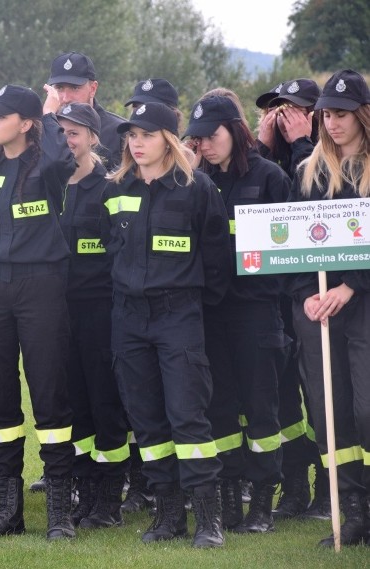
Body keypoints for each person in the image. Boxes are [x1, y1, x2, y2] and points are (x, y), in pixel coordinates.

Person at [101, 102, 232, 548]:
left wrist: (193, 306)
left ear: (169, 139)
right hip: (129, 318)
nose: (136, 144)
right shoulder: (115, 189)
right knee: (148, 422)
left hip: (179, 315)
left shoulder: (197, 189)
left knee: (187, 418)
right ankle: (168, 516)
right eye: (131, 136)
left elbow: (217, 260)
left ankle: (208, 520)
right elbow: (107, 252)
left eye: (147, 134)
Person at [0, 84, 76, 540]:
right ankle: (7, 510)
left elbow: (61, 160)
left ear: (26, 123)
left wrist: (49, 116)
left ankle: (59, 513)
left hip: (40, 285)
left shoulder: (48, 167)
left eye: (2, 115)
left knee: (49, 394)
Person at [186, 94, 292, 533]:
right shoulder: (195, 180)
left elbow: (284, 251)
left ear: (235, 129)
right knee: (220, 408)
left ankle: (263, 502)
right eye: (198, 139)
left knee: (260, 408)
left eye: (213, 136)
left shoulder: (269, 178)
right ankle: (230, 496)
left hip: (255, 310)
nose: (206, 145)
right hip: (211, 310)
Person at [288, 69, 370, 547]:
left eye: (341, 115)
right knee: (330, 411)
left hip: (362, 304)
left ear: (361, 115)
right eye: (326, 116)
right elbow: (296, 245)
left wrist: (351, 287)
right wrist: (306, 292)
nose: (332, 124)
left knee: (365, 409)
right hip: (319, 309)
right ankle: (353, 511)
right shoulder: (311, 171)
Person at [254, 79, 330, 522]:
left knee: (321, 395)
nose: (283, 118)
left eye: (294, 110)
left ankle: (330, 487)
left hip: (315, 294)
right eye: (275, 110)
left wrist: (304, 141)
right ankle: (295, 485)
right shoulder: (267, 161)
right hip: (272, 297)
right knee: (281, 399)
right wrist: (262, 146)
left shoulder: (321, 153)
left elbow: (317, 193)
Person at [55, 102, 130, 529]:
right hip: (56, 311)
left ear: (94, 138)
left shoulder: (109, 189)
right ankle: (84, 492)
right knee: (73, 407)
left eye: (75, 133)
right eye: (61, 132)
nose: (67, 141)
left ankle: (109, 500)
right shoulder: (48, 186)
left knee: (105, 404)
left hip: (99, 311)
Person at [46, 52, 124, 169]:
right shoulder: (41, 130)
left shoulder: (120, 132)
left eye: (75, 88)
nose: (66, 98)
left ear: (93, 89)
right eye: (59, 88)